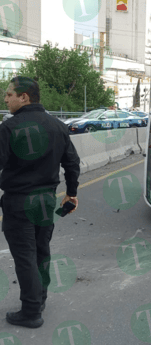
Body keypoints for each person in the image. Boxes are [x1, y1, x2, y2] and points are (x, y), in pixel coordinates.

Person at [0, 76, 80, 328]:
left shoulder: (9, 128)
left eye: (9, 94)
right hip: (45, 200)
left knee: (25, 255)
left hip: (19, 202)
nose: (5, 99)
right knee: (41, 251)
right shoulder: (57, 126)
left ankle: (31, 311)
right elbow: (72, 163)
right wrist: (72, 193)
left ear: (24, 97)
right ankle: (40, 298)